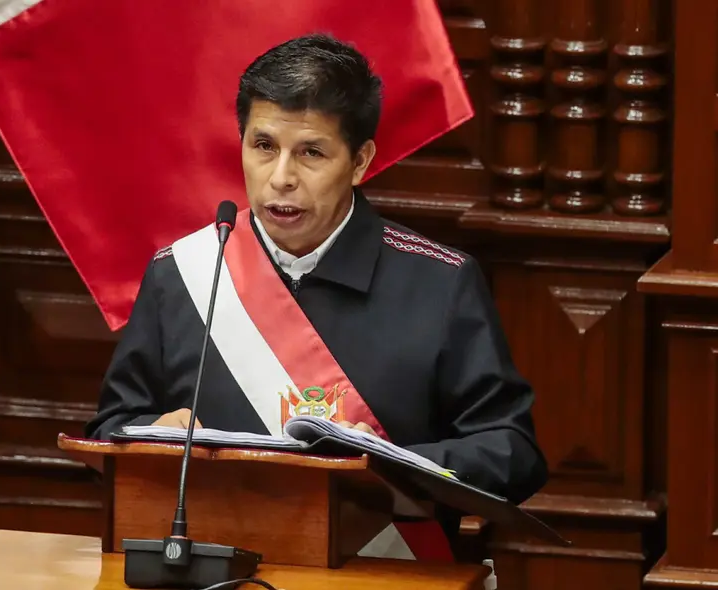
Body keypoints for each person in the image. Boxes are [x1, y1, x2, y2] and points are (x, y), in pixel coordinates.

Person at [84, 33, 547, 559]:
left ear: (360, 160)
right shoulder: (185, 275)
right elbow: (106, 433)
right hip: (217, 568)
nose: (281, 178)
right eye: (263, 147)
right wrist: (150, 436)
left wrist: (389, 465)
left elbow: (514, 454)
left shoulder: (440, 282)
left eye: (311, 153)